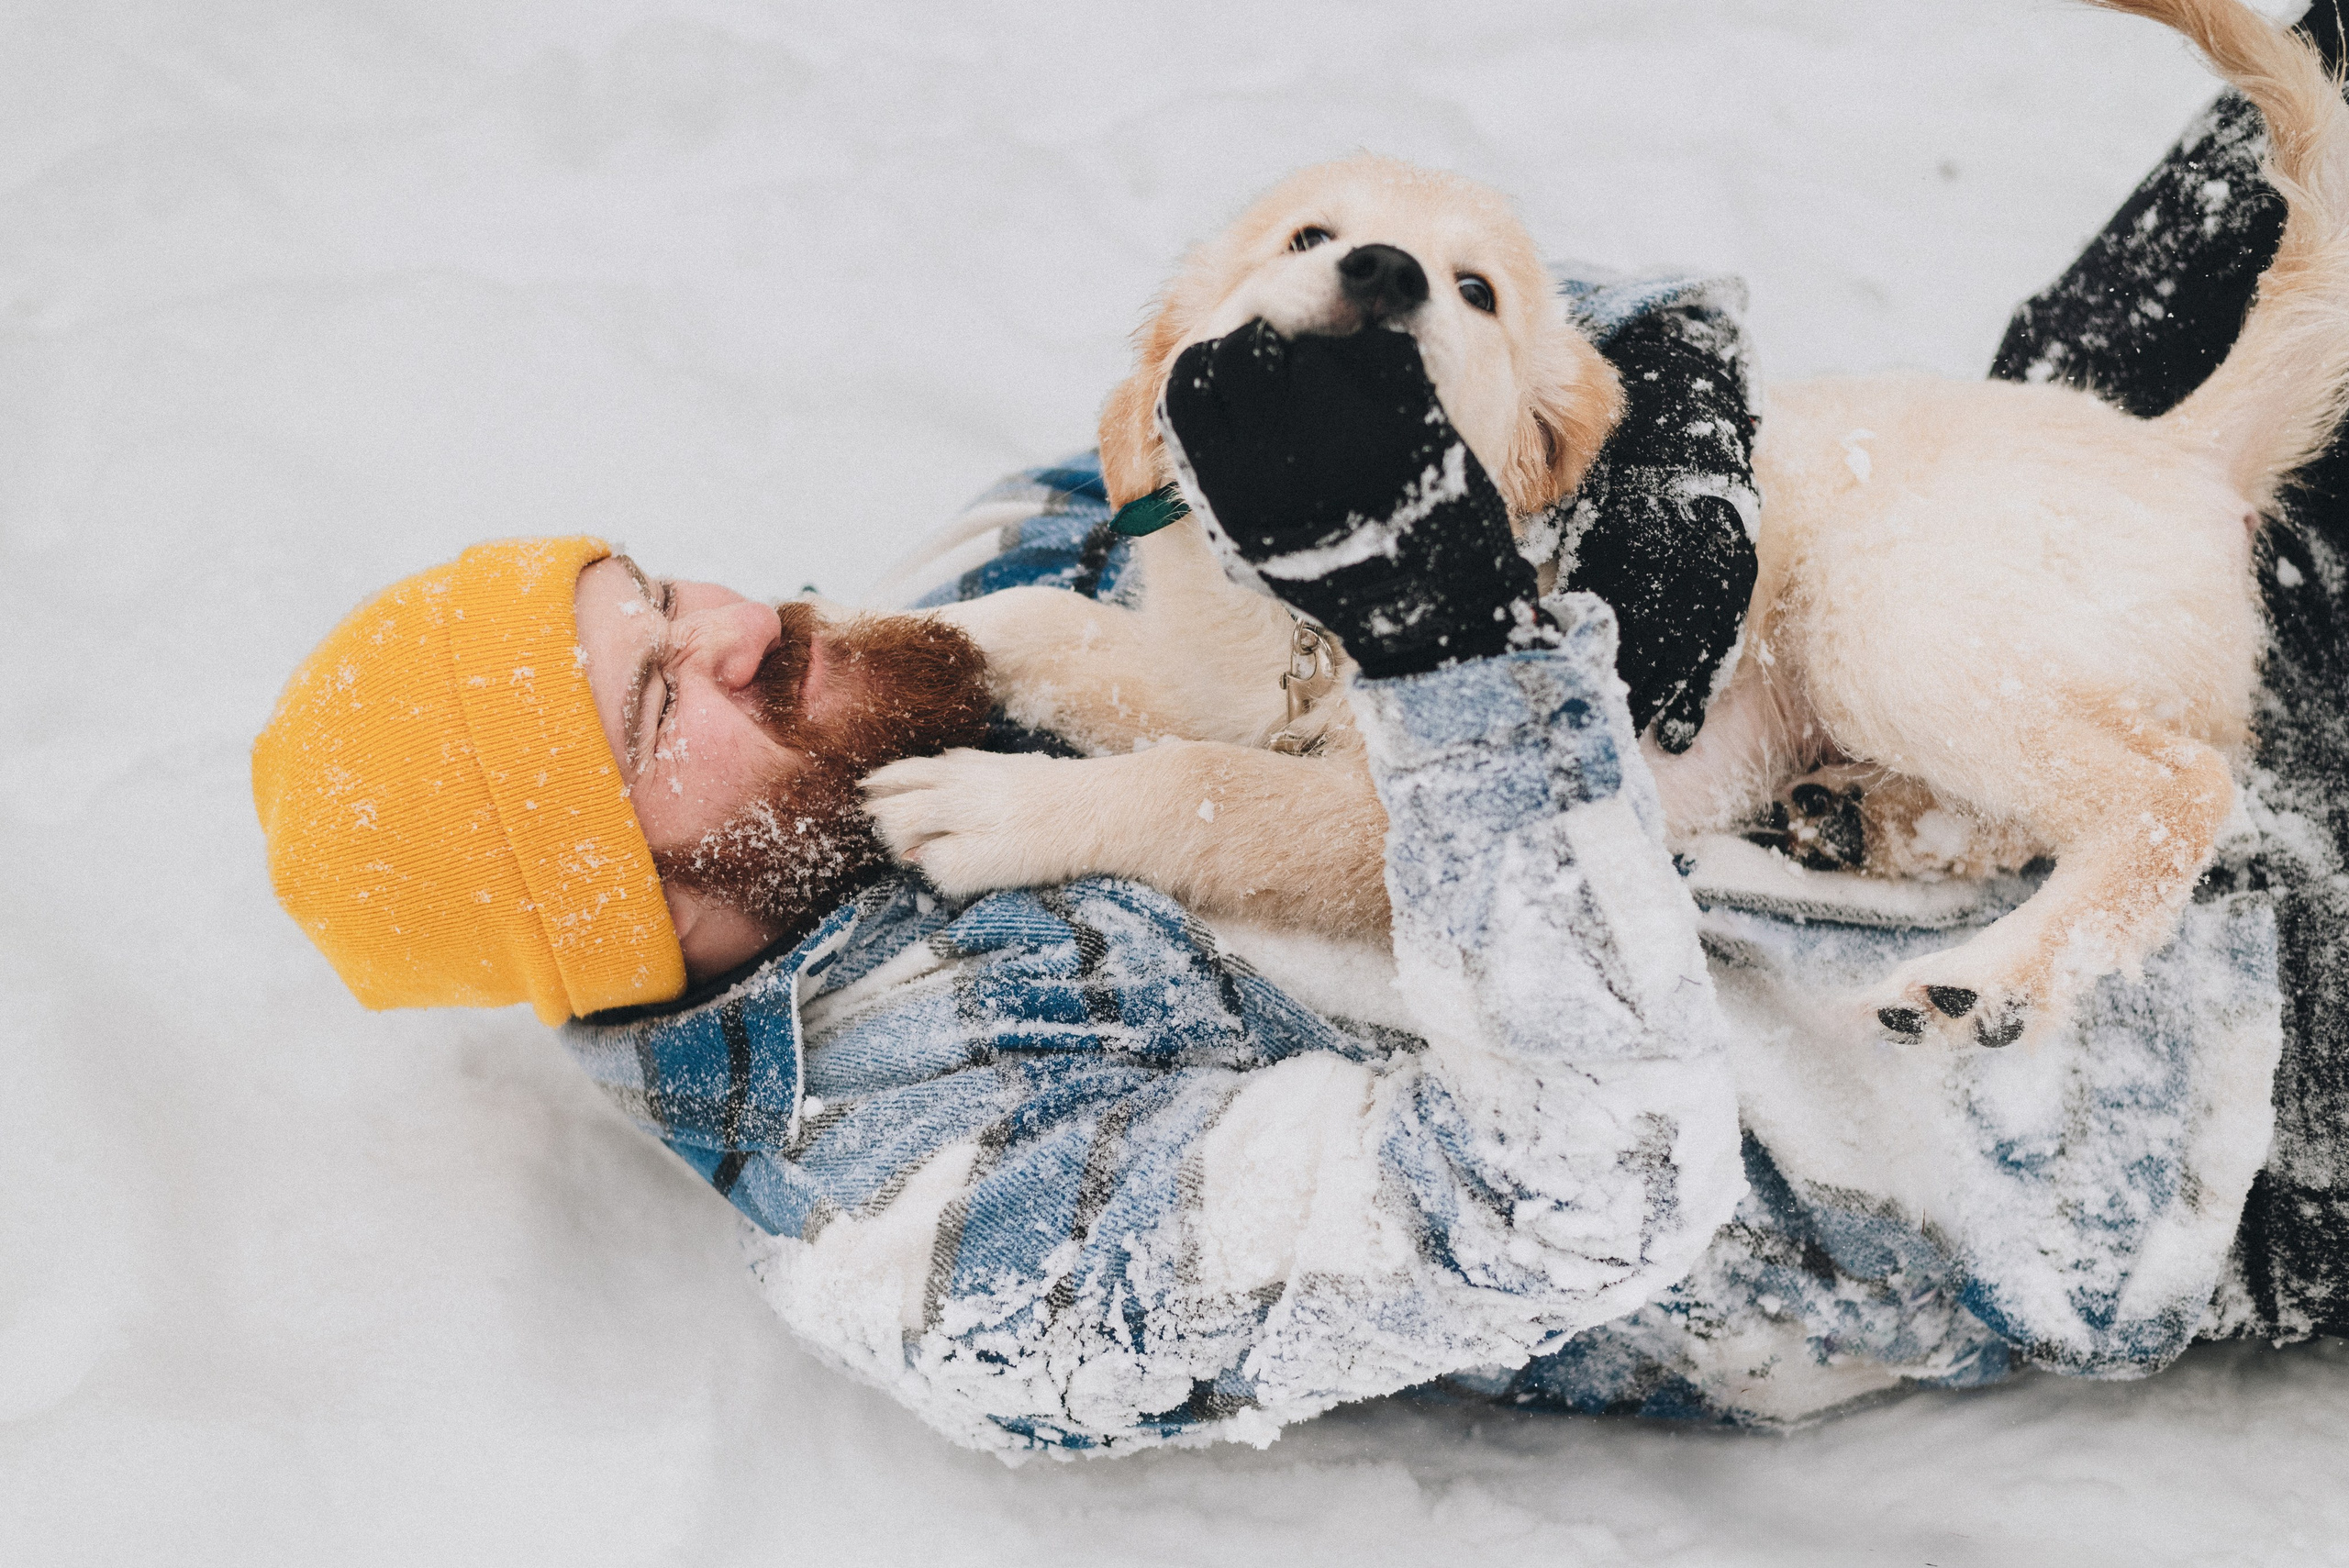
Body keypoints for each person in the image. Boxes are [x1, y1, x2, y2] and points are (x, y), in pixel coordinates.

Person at [251, 7, 2344, 1452]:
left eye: (661, 593)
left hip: (1960, 626)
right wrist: (1454, 669)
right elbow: (1571, 1194)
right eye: (654, 699)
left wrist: (1676, 457)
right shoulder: (949, 1201)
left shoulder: (913, 646)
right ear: (605, 897)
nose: (731, 622)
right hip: (2189, 1070)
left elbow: (1459, 306)